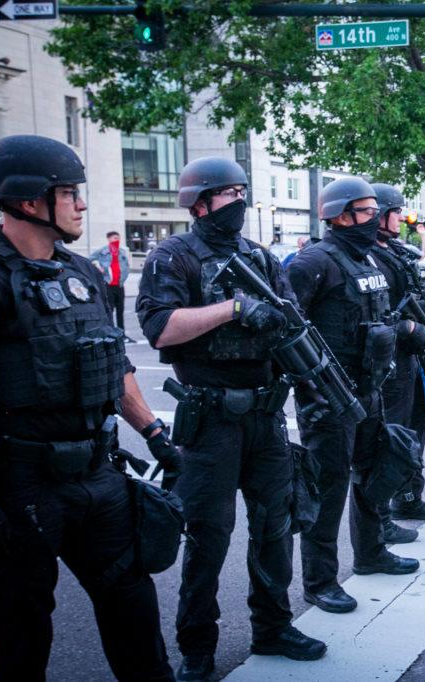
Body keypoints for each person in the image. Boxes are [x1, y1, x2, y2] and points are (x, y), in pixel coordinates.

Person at [0, 135, 179, 681]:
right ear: (30, 201)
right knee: (22, 633)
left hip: (98, 478)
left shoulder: (79, 273)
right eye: (69, 193)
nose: (81, 204)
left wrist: (155, 435)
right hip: (18, 487)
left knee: (135, 612)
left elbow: (115, 368)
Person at [136, 156, 325, 680]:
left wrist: (314, 378)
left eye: (244, 192)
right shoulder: (173, 257)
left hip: (264, 417)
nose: (239, 202)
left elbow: (292, 324)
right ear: (198, 204)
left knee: (274, 528)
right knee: (208, 537)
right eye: (228, 194)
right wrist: (233, 310)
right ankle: (197, 647)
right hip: (210, 420)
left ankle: (273, 626)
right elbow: (159, 328)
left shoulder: (259, 257)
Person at [287, 177, 419, 617]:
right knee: (329, 490)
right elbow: (287, 329)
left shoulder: (367, 260)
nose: (374, 219)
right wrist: (309, 388)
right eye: (365, 211)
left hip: (370, 387)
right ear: (340, 215)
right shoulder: (313, 263)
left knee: (372, 473)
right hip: (328, 398)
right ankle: (320, 581)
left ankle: (371, 551)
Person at [368, 182, 425, 538]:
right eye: (396, 211)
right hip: (390, 360)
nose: (402, 218)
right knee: (392, 436)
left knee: (417, 428)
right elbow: (371, 315)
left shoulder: (395, 251)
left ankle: (410, 494)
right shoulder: (367, 255)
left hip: (413, 357)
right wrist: (408, 327)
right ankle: (381, 516)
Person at [90, 230, 133, 339]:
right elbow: (88, 259)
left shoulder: (122, 251)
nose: (117, 240)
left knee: (120, 310)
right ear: (109, 239)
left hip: (119, 285)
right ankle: (111, 333)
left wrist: (124, 277)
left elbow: (126, 265)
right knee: (110, 310)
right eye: (114, 238)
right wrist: (98, 268)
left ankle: (122, 333)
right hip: (108, 285)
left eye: (118, 238)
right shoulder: (103, 251)